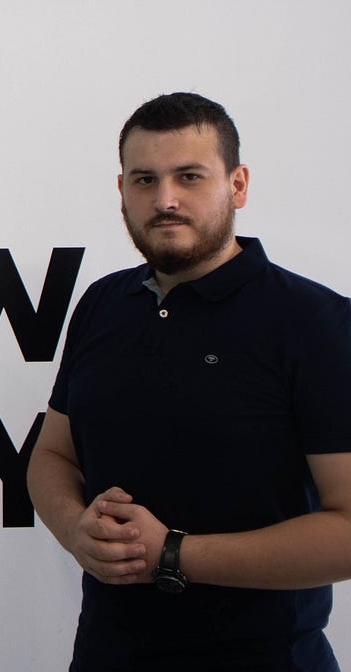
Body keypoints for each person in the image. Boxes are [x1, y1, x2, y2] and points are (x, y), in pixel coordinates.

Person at [28, 92, 351, 671]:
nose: (165, 200)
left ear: (238, 184)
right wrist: (74, 527)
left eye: (189, 176)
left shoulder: (316, 322)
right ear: (122, 189)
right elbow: (53, 453)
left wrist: (173, 553)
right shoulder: (103, 305)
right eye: (145, 179)